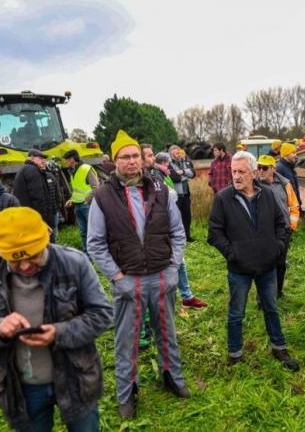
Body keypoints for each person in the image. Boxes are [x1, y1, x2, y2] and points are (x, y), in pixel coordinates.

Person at [0, 207, 113, 431]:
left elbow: (102, 314)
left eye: (33, 256)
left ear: (45, 239)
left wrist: (60, 333)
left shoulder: (73, 263)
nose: (26, 266)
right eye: (15, 260)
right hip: (23, 389)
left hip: (75, 379)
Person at [88, 130, 190, 419]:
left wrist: (172, 268)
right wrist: (116, 276)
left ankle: (173, 378)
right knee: (126, 340)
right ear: (115, 161)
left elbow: (178, 233)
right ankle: (127, 393)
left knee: (167, 333)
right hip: (128, 279)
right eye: (125, 157)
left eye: (135, 156)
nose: (132, 161)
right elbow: (94, 243)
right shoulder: (102, 197)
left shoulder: (160, 190)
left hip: (161, 275)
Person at [208, 150, 300, 372]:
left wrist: (277, 248)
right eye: (233, 171)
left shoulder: (267, 194)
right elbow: (214, 232)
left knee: (271, 308)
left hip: (267, 266)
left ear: (253, 173)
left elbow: (282, 223)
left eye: (241, 171)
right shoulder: (223, 198)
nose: (236, 176)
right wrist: (232, 254)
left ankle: (279, 348)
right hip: (239, 269)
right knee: (236, 312)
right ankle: (235, 354)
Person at [143, 147, 207, 310]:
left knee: (179, 261)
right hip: (154, 230)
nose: (154, 159)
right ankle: (161, 305)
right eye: (150, 156)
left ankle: (186, 297)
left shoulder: (156, 174)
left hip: (167, 222)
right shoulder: (146, 177)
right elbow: (166, 192)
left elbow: (170, 190)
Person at [256, 154, 299, 298]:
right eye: (258, 167)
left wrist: (291, 227)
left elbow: (293, 206)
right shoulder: (253, 185)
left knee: (280, 264)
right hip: (262, 232)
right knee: (263, 264)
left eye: (264, 168)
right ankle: (262, 297)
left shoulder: (285, 183)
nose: (260, 170)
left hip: (283, 231)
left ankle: (278, 292)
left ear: (273, 169)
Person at [13, 149, 57, 242]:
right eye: (40, 158)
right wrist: (43, 222)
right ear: (31, 158)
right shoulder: (32, 170)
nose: (44, 161)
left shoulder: (24, 170)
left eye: (45, 159)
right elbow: (38, 198)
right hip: (37, 220)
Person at [63, 150, 99, 251]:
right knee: (83, 232)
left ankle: (95, 252)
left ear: (72, 159)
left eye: (66, 160)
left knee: (93, 232)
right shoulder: (72, 171)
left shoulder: (86, 169)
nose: (65, 162)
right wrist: (71, 200)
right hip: (77, 206)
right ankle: (86, 252)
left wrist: (87, 200)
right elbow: (77, 190)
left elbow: (96, 187)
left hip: (87, 206)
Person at [169, 145, 196, 242]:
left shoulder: (185, 161)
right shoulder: (169, 164)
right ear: (171, 154)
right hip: (176, 196)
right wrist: (186, 175)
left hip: (186, 194)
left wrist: (183, 171)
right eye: (176, 153)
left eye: (179, 152)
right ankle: (178, 237)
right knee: (177, 217)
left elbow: (193, 173)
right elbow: (174, 177)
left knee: (187, 216)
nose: (179, 155)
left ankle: (187, 236)